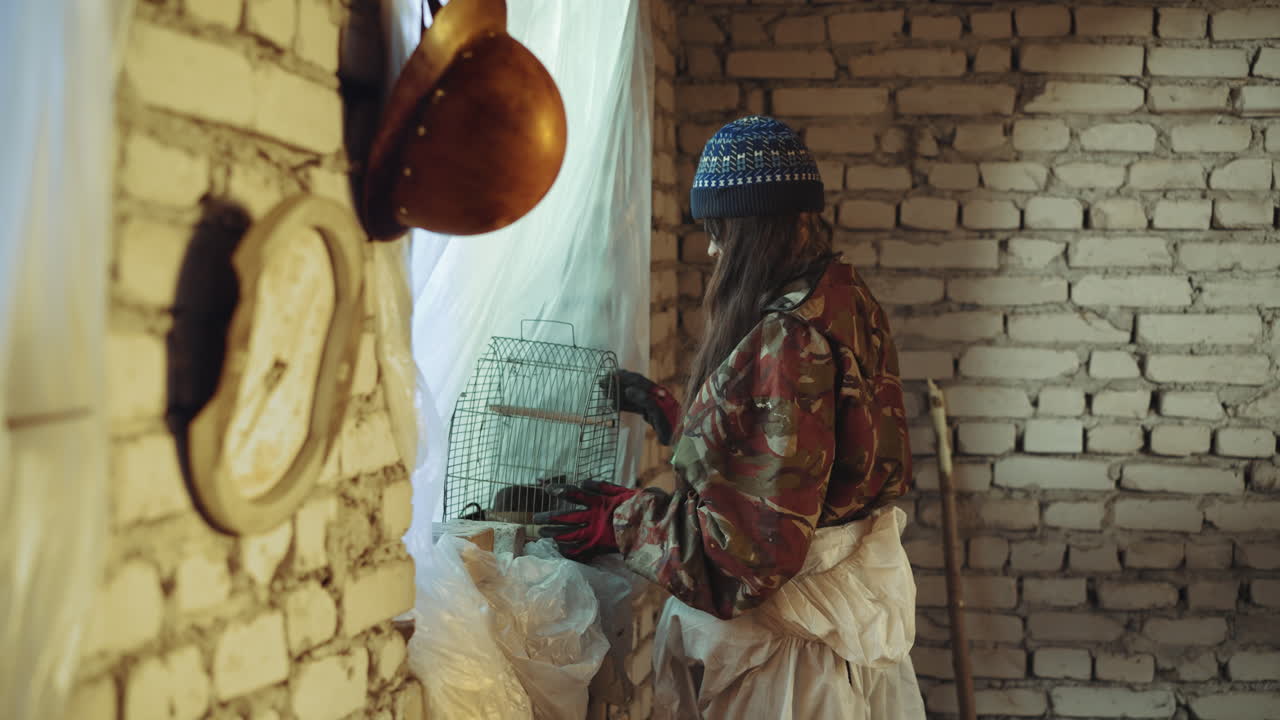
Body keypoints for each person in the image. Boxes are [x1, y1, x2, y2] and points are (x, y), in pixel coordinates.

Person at [536, 115, 925, 719]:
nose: (714, 250)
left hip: (789, 664)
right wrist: (684, 422)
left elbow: (751, 555)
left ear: (757, 227)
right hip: (838, 619)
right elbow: (816, 453)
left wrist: (623, 521)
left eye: (720, 231)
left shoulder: (788, 338)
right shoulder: (844, 296)